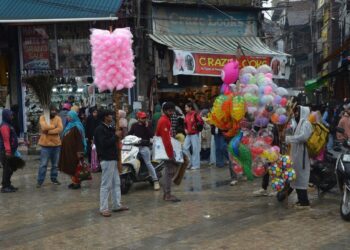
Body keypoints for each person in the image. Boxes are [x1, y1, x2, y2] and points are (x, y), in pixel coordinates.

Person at [94, 110, 129, 217]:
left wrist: (121, 131)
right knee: (106, 184)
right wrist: (115, 136)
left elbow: (118, 137)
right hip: (106, 158)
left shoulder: (109, 128)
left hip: (113, 158)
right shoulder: (100, 129)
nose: (112, 117)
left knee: (116, 183)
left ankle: (116, 204)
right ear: (105, 117)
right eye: (110, 115)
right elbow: (104, 144)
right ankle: (103, 208)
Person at [278, 106, 313, 208]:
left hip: (302, 154)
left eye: (298, 111)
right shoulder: (300, 123)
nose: (296, 113)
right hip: (297, 154)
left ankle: (304, 202)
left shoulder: (306, 123)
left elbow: (303, 137)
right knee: (297, 177)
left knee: (301, 178)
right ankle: (301, 200)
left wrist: (289, 139)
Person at [128, 111, 160, 190]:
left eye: (145, 117)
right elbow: (130, 134)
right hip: (135, 147)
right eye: (143, 118)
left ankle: (155, 180)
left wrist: (146, 127)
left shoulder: (147, 125)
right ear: (138, 118)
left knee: (148, 163)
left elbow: (151, 135)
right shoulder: (134, 125)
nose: (144, 119)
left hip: (144, 146)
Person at [156, 102, 180, 202]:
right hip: (166, 150)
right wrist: (171, 155)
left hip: (166, 149)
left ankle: (167, 193)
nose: (172, 113)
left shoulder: (165, 119)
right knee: (169, 172)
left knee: (169, 171)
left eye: (173, 111)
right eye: (170, 111)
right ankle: (167, 194)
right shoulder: (164, 121)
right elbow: (166, 140)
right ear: (165, 111)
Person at [58, 110, 87, 190]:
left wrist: (79, 152)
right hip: (68, 151)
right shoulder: (69, 126)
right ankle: (74, 181)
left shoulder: (77, 127)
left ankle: (77, 183)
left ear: (73, 117)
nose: (67, 117)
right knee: (70, 167)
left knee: (75, 167)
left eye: (69, 116)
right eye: (67, 116)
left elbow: (79, 140)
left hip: (74, 152)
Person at [37, 106, 63, 187]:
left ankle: (54, 179)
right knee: (43, 164)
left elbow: (60, 129)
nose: (54, 112)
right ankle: (40, 181)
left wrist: (47, 132)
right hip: (45, 145)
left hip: (56, 145)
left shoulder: (58, 118)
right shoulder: (42, 117)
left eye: (55, 110)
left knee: (55, 164)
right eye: (52, 110)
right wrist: (53, 127)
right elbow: (43, 127)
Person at [0, 109, 19, 193]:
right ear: (6, 116)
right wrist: (8, 151)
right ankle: (5, 186)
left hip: (10, 150)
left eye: (12, 115)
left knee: (10, 168)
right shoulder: (4, 126)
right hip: (5, 151)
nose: (12, 117)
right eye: (10, 115)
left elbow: (12, 137)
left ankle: (8, 184)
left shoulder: (8, 124)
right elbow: (6, 139)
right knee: (7, 168)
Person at [183, 102, 203, 170]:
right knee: (184, 148)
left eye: (186, 107)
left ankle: (196, 165)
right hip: (188, 134)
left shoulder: (195, 114)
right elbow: (185, 124)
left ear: (190, 107)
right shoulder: (187, 115)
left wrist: (195, 126)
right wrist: (185, 129)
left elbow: (200, 122)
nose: (185, 108)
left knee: (195, 149)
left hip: (195, 134)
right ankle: (190, 162)